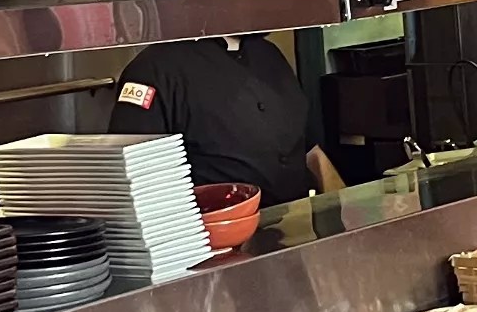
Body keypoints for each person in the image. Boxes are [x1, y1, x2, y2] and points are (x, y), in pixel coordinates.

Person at [106, 36, 343, 200]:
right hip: (214, 245)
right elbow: (135, 182)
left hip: (295, 231)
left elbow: (311, 153)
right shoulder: (154, 69)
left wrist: (347, 215)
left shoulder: (269, 54)